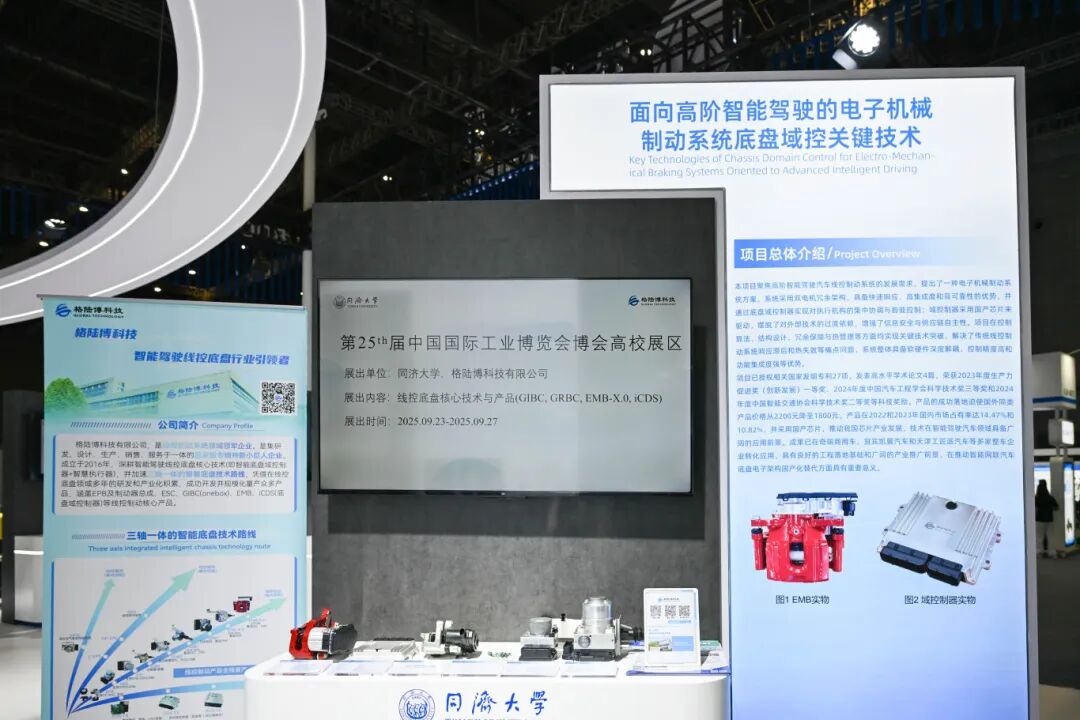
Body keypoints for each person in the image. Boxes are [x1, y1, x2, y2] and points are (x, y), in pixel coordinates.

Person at [1035, 479, 1059, 558]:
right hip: (1049, 519)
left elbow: (1034, 508)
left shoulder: (1036, 498)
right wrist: (1050, 508)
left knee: (1039, 537)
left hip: (1039, 519)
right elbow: (1056, 507)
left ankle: (1039, 552)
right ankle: (1052, 553)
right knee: (1050, 537)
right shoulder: (1050, 498)